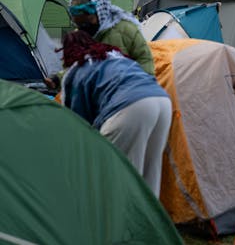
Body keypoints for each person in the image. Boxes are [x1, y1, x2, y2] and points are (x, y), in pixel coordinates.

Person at [60, 31, 171, 196]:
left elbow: (78, 121)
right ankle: (150, 220)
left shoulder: (79, 69)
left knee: (115, 175)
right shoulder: (115, 56)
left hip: (130, 106)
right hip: (162, 100)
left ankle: (119, 220)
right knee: (150, 173)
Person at [69, 0, 155, 74]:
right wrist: (58, 79)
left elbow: (144, 59)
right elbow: (72, 67)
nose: (85, 26)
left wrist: (140, 82)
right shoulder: (79, 36)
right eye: (80, 23)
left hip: (125, 83)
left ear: (100, 12)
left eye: (90, 20)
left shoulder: (125, 29)